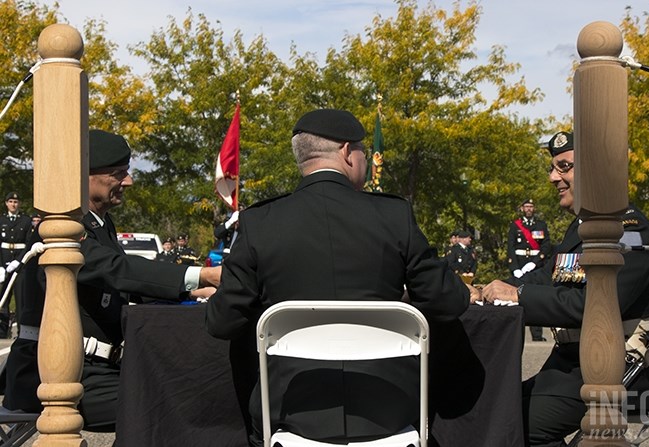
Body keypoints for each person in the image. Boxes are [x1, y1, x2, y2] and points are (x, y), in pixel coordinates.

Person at [206, 108, 472, 446]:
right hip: (388, 409)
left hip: (290, 412)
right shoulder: (394, 215)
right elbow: (449, 301)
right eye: (362, 150)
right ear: (348, 152)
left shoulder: (260, 222)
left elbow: (221, 323)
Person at [1, 129, 221, 432]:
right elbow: (115, 269)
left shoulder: (98, 223)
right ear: (85, 176)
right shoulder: (61, 226)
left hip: (97, 369)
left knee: (190, 387)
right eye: (118, 173)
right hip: (56, 374)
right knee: (171, 403)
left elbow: (119, 287)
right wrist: (201, 273)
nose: (128, 181)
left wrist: (194, 292)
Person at [480, 131, 649, 446]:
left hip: (621, 371)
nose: (553, 177)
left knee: (521, 423)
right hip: (576, 364)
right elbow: (550, 275)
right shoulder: (583, 227)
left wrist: (518, 296)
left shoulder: (628, 230)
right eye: (554, 168)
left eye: (564, 167)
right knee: (494, 406)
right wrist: (493, 288)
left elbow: (596, 305)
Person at [507, 199, 552, 341]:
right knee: (514, 297)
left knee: (535, 298)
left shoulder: (541, 225)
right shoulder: (515, 226)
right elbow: (510, 247)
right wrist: (514, 268)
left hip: (535, 265)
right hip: (519, 265)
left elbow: (546, 246)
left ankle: (537, 334)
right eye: (526, 206)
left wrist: (534, 263)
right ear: (522, 208)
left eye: (531, 206)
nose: (529, 209)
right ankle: (513, 333)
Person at [0, 192, 32, 338]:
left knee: (20, 299)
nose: (13, 204)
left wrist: (18, 261)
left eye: (16, 201)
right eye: (11, 201)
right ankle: (2, 330)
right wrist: (0, 265)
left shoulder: (25, 221)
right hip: (4, 261)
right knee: (3, 299)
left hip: (19, 264)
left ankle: (21, 332)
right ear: (6, 203)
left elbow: (28, 244)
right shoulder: (1, 220)